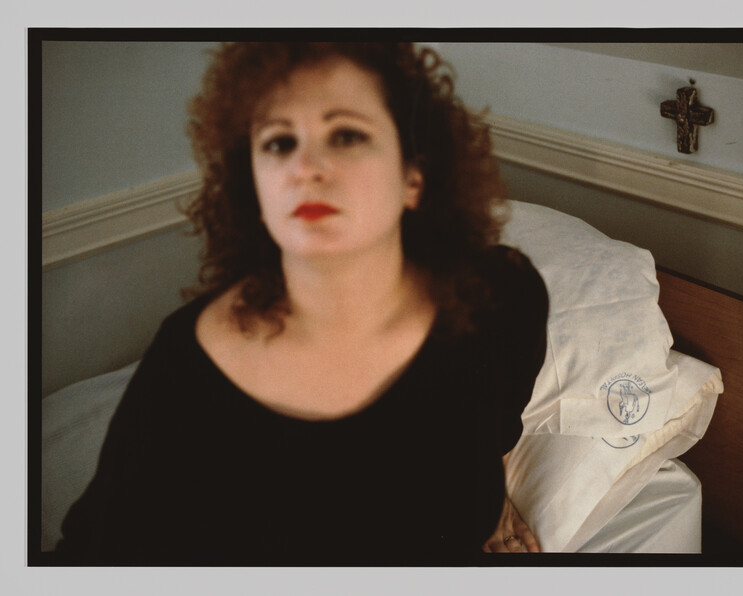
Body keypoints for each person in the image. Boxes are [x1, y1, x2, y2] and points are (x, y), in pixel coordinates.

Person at [54, 42, 549, 565]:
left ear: (413, 177)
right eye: (278, 142)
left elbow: (497, 413)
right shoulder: (186, 367)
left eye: (346, 135)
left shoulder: (501, 295)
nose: (305, 167)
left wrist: (491, 498)